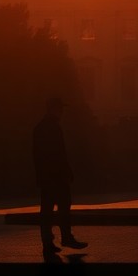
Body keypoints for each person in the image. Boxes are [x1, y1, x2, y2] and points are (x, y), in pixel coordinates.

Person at [33, 95, 88, 257]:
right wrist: (66, 170)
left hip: (46, 175)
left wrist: (39, 175)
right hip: (56, 175)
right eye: (61, 108)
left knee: (47, 210)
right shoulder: (53, 127)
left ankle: (48, 242)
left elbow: (36, 155)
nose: (62, 111)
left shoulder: (40, 127)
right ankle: (66, 237)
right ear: (55, 108)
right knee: (64, 206)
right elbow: (59, 152)